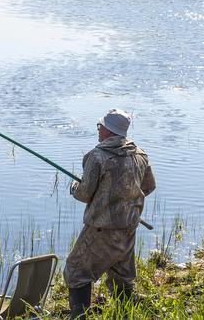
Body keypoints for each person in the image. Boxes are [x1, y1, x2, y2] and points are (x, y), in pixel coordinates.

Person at [64, 109, 156, 319]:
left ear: (108, 130)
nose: (98, 130)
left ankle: (79, 317)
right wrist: (125, 202)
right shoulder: (140, 155)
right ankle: (126, 314)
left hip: (101, 229)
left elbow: (85, 193)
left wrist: (73, 187)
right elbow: (149, 186)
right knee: (122, 275)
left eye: (100, 126)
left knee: (76, 271)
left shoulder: (97, 157)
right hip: (128, 227)